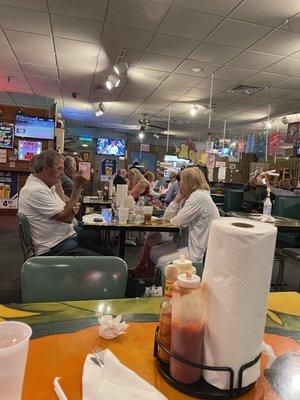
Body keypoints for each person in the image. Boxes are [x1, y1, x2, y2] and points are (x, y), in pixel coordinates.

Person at [19, 151, 157, 298]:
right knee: (110, 263)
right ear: (46, 168)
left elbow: (66, 206)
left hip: (63, 239)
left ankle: (111, 287)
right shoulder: (35, 191)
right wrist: (77, 187)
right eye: (59, 169)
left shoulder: (44, 185)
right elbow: (66, 216)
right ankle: (141, 293)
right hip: (55, 248)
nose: (61, 173)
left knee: (103, 247)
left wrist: (61, 188)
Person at [130, 168, 220, 278]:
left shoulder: (199, 197)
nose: (179, 183)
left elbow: (177, 222)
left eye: (180, 180)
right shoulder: (192, 196)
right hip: (186, 242)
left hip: (196, 251)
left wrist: (176, 201)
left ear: (187, 182)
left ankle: (162, 283)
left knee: (160, 257)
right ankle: (149, 273)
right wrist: (178, 200)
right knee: (153, 242)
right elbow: (168, 217)